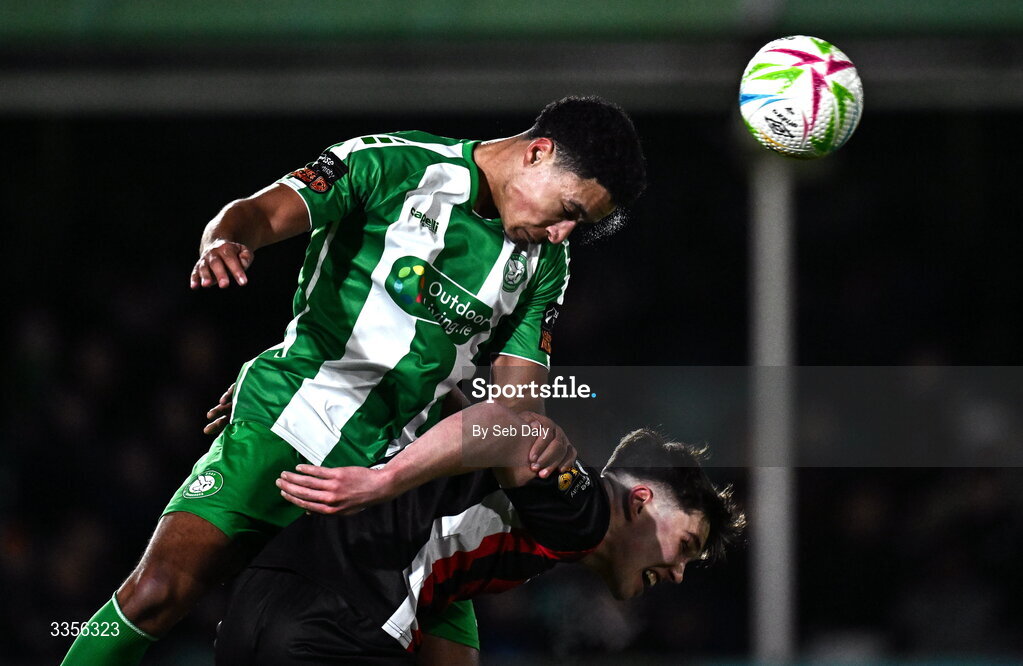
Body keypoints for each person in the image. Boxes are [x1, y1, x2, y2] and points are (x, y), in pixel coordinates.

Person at [61, 96, 648, 665]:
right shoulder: (392, 163)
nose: (563, 234)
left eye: (580, 225)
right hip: (292, 426)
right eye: (570, 210)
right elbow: (259, 212)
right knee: (158, 593)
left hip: (399, 486)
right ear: (537, 152)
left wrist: (533, 441)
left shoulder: (543, 263)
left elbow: (517, 408)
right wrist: (224, 240)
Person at [214, 402, 746, 664]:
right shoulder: (585, 513)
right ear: (641, 501)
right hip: (340, 621)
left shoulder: (509, 532)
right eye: (685, 547)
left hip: (259, 597)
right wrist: (382, 481)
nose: (678, 574)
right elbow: (514, 426)